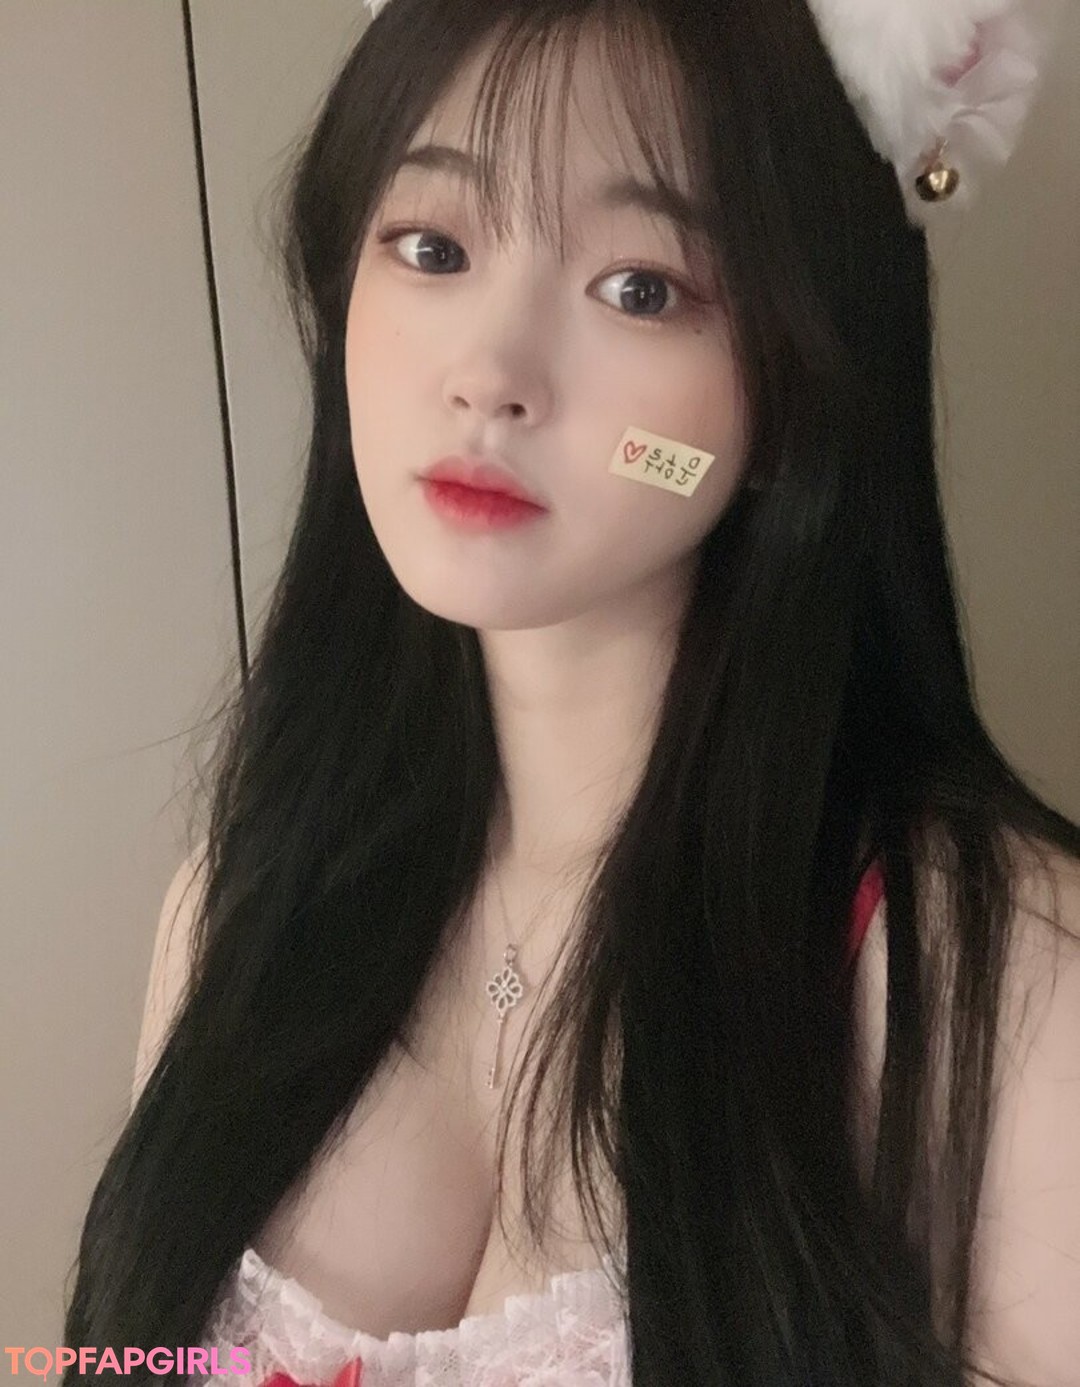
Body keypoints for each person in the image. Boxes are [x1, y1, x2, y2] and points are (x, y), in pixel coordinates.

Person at [62, 1, 1080, 1385]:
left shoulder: (1004, 980)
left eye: (641, 288)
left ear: (796, 381)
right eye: (433, 249)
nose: (489, 377)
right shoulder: (237, 905)